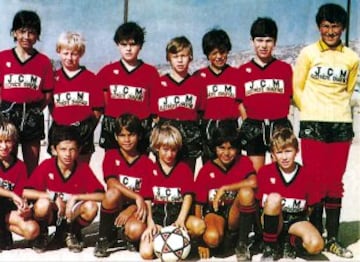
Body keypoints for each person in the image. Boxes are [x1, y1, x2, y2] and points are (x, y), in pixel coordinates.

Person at [293, 3, 359, 259]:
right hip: (313, 124)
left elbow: (349, 89)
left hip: (341, 125)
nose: (331, 31)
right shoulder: (308, 54)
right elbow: (297, 88)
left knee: (335, 183)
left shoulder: (352, 58)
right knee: (314, 181)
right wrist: (312, 110)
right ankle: (315, 232)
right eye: (326, 26)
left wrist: (336, 110)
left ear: (342, 28)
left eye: (336, 26)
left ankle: (332, 237)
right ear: (319, 27)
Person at [23, 125, 104, 253]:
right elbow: (25, 191)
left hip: (70, 214)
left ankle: (70, 232)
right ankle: (42, 234)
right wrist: (52, 197)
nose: (68, 154)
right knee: (42, 203)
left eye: (72, 149)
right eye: (63, 149)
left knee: (91, 207)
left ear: (79, 150)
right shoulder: (47, 166)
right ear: (54, 150)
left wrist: (77, 197)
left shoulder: (83, 169)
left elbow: (102, 195)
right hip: (52, 212)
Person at [256, 128, 324, 260]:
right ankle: (270, 247)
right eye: (279, 152)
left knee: (316, 245)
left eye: (288, 151)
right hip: (272, 220)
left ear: (296, 151)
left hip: (295, 220)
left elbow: (313, 206)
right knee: (274, 198)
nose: (284, 157)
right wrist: (259, 233)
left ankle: (290, 241)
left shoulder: (307, 174)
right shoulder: (265, 172)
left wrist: (314, 230)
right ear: (273, 154)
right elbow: (256, 203)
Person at [139, 123, 205, 259]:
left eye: (173, 150)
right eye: (165, 149)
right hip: (157, 218)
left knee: (199, 226)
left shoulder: (183, 169)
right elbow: (147, 198)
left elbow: (188, 196)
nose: (169, 154)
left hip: (178, 217)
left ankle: (189, 244)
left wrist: (181, 219)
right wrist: (150, 222)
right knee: (146, 253)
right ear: (157, 148)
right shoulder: (150, 169)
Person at [0, 10, 54, 175]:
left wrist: (34, 111)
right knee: (7, 161)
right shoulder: (3, 58)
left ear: (37, 35)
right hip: (8, 113)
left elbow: (47, 95)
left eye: (31, 32)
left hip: (32, 114)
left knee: (32, 167)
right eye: (22, 31)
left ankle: (31, 198)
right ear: (14, 32)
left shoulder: (43, 61)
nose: (26, 36)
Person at [194, 124, 257, 260]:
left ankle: (242, 243)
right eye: (221, 148)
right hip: (216, 213)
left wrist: (226, 188)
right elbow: (198, 205)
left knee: (247, 192)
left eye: (231, 148)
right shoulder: (207, 170)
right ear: (215, 148)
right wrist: (200, 241)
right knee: (212, 238)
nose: (226, 153)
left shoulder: (243, 161)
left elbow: (254, 182)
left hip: (235, 214)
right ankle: (226, 241)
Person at [238, 17, 293, 172]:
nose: (263, 45)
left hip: (279, 125)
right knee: (257, 176)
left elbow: (289, 97)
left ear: (275, 42)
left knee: (281, 174)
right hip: (254, 126)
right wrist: (247, 121)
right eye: (259, 40)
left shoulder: (284, 69)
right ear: (252, 42)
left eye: (268, 41)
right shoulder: (243, 70)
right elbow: (240, 101)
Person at [94, 114, 151, 257]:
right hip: (115, 205)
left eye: (131, 135)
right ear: (115, 136)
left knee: (136, 230)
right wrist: (135, 196)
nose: (126, 140)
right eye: (122, 135)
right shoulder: (111, 155)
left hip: (134, 207)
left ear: (138, 135)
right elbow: (111, 182)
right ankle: (104, 237)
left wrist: (131, 208)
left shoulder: (146, 162)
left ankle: (127, 236)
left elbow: (145, 195)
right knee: (112, 193)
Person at [97, 21, 160, 151]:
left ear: (141, 45)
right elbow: (102, 103)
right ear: (117, 45)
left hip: (140, 128)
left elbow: (154, 108)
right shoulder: (106, 72)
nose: (128, 48)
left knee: (140, 168)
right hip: (114, 127)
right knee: (112, 168)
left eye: (133, 44)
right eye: (124, 44)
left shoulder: (151, 73)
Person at [48, 32, 103, 163]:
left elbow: (97, 109)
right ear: (59, 51)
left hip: (82, 132)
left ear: (81, 54)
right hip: (60, 131)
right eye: (65, 53)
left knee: (81, 173)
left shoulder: (90, 78)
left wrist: (87, 129)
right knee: (59, 174)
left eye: (74, 54)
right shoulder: (53, 77)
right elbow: (50, 104)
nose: (69, 57)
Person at [151, 36, 202, 172]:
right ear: (168, 58)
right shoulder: (159, 84)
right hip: (166, 135)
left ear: (190, 57)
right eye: (175, 56)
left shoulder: (197, 84)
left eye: (183, 56)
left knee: (186, 177)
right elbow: (155, 115)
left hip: (189, 135)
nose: (179, 60)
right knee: (164, 178)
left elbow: (200, 112)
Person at [196, 28, 242, 162]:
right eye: (214, 53)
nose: (219, 56)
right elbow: (198, 110)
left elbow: (240, 104)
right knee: (210, 168)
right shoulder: (199, 76)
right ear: (207, 54)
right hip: (209, 128)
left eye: (222, 52)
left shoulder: (236, 74)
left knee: (232, 168)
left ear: (228, 51)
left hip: (230, 128)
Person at [0, 119, 39, 251]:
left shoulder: (20, 166)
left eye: (8, 141)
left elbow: (19, 193)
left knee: (32, 230)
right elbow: (13, 194)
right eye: (0, 141)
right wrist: (10, 193)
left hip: (6, 210)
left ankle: (3, 230)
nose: (4, 146)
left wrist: (23, 207)